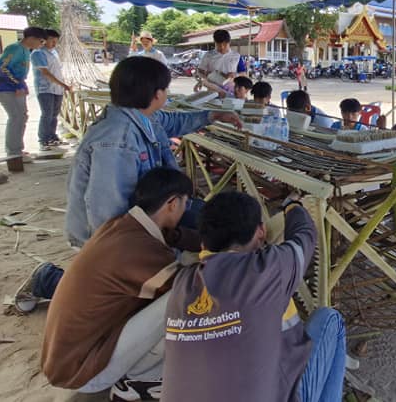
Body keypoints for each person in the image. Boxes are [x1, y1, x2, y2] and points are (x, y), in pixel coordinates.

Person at [14, 57, 241, 309]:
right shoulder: (116, 139)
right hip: (111, 232)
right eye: (166, 89)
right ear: (155, 94)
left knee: (210, 220)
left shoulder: (141, 116)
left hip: (146, 214)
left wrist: (212, 115)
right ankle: (48, 280)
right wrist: (139, 252)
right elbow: (106, 212)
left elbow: (173, 123)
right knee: (123, 296)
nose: (167, 94)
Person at [162, 192, 346, 402]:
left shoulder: (182, 284)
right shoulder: (266, 270)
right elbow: (304, 234)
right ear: (261, 232)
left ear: (203, 243)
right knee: (330, 320)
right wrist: (292, 205)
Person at [42, 168, 200, 401]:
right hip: (85, 372)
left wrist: (194, 239)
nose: (185, 210)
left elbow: (168, 238)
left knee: (181, 285)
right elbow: (189, 285)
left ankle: (138, 372)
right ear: (172, 203)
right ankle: (142, 378)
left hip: (67, 360)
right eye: (185, 204)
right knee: (187, 295)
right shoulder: (141, 250)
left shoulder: (120, 226)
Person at [0, 26, 48, 158]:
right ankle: (14, 152)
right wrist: (16, 84)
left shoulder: (27, 51)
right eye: (41, 41)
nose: (41, 45)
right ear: (31, 38)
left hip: (17, 87)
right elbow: (2, 67)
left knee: (22, 117)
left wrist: (22, 85)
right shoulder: (15, 48)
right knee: (16, 118)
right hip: (6, 88)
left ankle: (16, 149)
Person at [30, 28, 72, 150]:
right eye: (51, 40)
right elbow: (46, 73)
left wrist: (62, 84)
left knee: (54, 114)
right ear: (44, 40)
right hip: (45, 88)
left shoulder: (54, 52)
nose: (54, 43)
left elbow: (57, 70)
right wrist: (64, 85)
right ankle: (43, 140)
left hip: (57, 88)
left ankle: (52, 137)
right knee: (47, 114)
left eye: (56, 41)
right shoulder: (38, 53)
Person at [198, 29, 242, 98]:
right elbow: (200, 71)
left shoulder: (236, 56)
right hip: (212, 92)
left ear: (229, 42)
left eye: (224, 44)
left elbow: (243, 74)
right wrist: (205, 78)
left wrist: (235, 75)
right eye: (218, 45)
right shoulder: (208, 55)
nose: (222, 47)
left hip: (231, 92)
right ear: (214, 42)